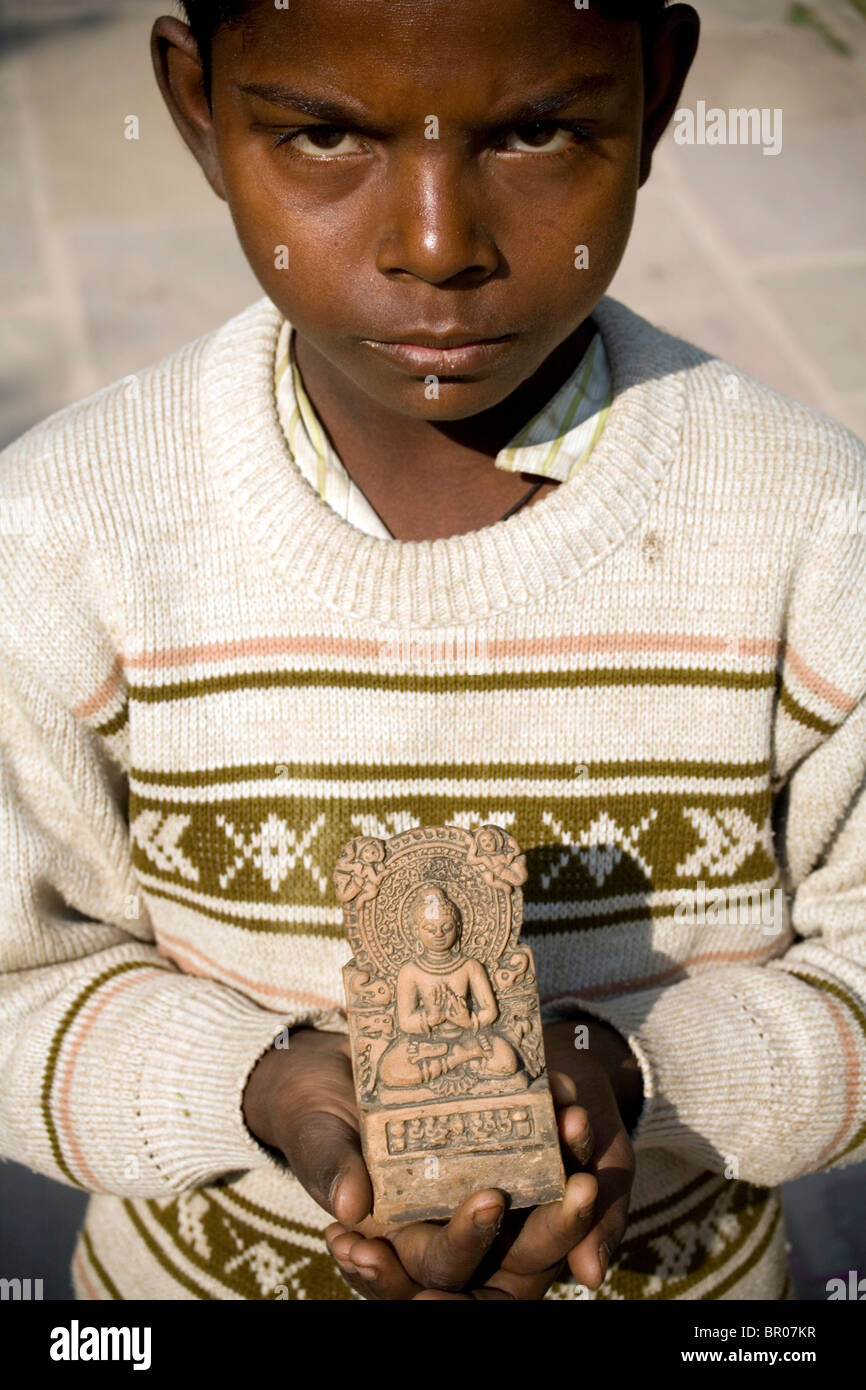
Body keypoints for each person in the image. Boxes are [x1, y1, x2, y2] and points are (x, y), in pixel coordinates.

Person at [0, 0, 864, 1302]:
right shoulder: (63, 528)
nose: (434, 245)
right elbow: (19, 982)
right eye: (324, 135)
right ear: (196, 103)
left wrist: (629, 1071)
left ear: (659, 87)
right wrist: (253, 1079)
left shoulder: (811, 524)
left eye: (531, 130)